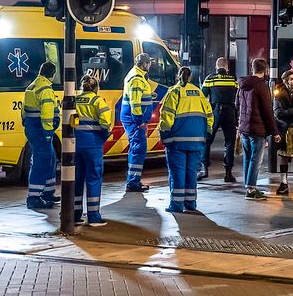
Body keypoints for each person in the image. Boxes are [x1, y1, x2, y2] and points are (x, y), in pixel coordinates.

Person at [160, 67, 214, 213]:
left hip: (177, 140)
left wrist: (163, 134)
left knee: (177, 173)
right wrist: (207, 131)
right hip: (197, 140)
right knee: (191, 172)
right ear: (190, 77)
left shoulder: (174, 92)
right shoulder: (198, 92)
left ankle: (176, 205)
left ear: (178, 76)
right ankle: (190, 203)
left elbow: (167, 116)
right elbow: (209, 114)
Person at [72, 72, 113, 226]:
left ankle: (75, 215)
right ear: (96, 88)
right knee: (94, 178)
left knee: (77, 179)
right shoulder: (97, 101)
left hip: (76, 143)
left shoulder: (75, 100)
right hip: (93, 144)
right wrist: (104, 135)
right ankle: (93, 216)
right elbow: (105, 123)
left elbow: (72, 122)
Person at [237, 58, 279, 200]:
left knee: (248, 158)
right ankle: (251, 189)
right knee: (256, 159)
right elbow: (267, 111)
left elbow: (237, 105)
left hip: (244, 128)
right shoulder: (261, 86)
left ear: (252, 68)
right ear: (265, 70)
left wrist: (239, 124)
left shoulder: (242, 84)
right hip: (257, 128)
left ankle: (249, 186)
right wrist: (274, 132)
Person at [22, 62, 59, 210]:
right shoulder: (46, 89)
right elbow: (47, 114)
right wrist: (48, 133)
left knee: (50, 159)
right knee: (41, 162)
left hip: (32, 128)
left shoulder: (32, 86)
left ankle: (48, 192)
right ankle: (34, 197)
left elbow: (24, 110)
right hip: (41, 130)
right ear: (53, 74)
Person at [120, 52, 156, 192]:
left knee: (136, 148)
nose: (150, 65)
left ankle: (133, 180)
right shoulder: (136, 78)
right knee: (138, 148)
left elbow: (137, 95)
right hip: (134, 119)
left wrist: (149, 95)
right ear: (145, 64)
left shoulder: (137, 75)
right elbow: (135, 102)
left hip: (132, 118)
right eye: (149, 63)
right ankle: (133, 183)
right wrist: (139, 121)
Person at [200, 57, 239, 182]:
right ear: (227, 68)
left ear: (216, 67)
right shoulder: (233, 80)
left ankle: (204, 169)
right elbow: (237, 97)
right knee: (229, 142)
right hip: (230, 112)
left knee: (207, 140)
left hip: (215, 112)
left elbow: (202, 96)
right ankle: (228, 173)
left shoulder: (210, 79)